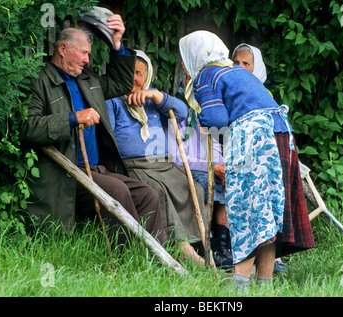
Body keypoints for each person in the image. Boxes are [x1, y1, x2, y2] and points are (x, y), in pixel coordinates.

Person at [179, 30, 315, 289]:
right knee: (268, 214)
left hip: (254, 139)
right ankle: (264, 285)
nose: (185, 64)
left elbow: (216, 120)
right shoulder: (237, 72)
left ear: (196, 55)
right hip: (281, 135)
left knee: (246, 211)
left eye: (185, 57)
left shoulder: (206, 75)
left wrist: (205, 120)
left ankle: (239, 286)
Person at [19, 13, 166, 248]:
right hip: (67, 172)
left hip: (97, 169)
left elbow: (121, 83)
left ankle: (155, 255)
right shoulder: (39, 81)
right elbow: (27, 126)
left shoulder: (88, 79)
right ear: (63, 49)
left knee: (147, 193)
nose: (88, 60)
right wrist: (72, 119)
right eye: (84, 53)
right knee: (117, 190)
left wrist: (117, 45)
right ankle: (128, 257)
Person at [105, 50, 208, 266]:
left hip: (164, 165)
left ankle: (196, 246)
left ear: (146, 76)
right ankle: (187, 256)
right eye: (129, 71)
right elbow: (108, 140)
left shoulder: (151, 98)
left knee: (195, 189)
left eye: (139, 73)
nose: (134, 78)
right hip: (136, 167)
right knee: (159, 193)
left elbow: (182, 113)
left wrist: (156, 96)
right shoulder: (113, 100)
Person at [233, 43, 288, 274]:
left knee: (259, 209)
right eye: (236, 63)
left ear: (258, 69)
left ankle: (255, 275)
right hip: (246, 157)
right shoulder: (233, 92)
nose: (240, 68)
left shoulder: (261, 96)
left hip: (266, 158)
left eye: (246, 63)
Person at [172, 77, 233, 270]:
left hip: (210, 166)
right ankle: (206, 243)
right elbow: (176, 155)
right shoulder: (179, 112)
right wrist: (212, 166)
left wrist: (222, 167)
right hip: (188, 168)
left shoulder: (211, 113)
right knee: (206, 183)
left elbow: (216, 148)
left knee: (229, 182)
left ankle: (224, 246)